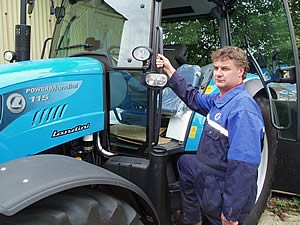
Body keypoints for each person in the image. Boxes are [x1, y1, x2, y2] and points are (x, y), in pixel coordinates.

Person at [156, 46, 265, 225]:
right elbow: (193, 97)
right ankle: (192, 220)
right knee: (185, 163)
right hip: (208, 172)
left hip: (222, 188)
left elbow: (243, 166)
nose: (218, 73)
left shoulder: (243, 110)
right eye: (216, 68)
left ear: (241, 71)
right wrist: (169, 70)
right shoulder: (219, 99)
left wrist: (230, 212)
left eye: (225, 68)